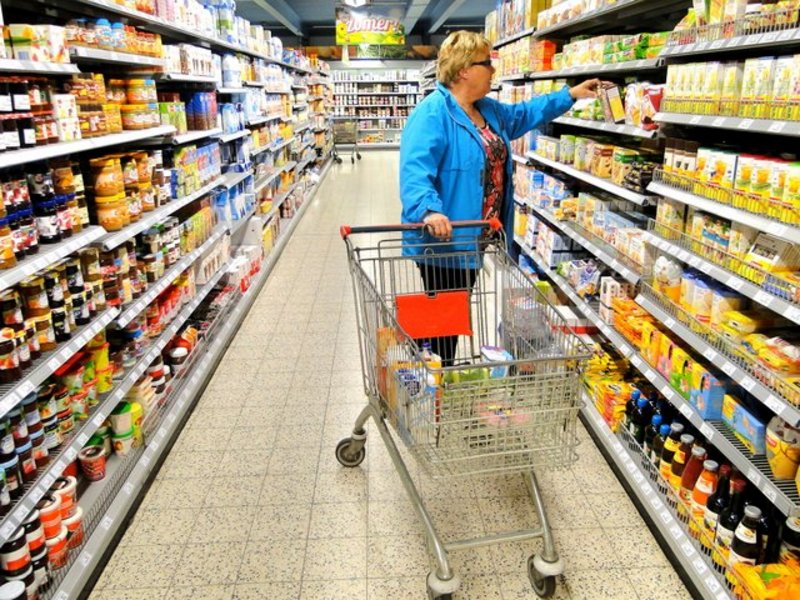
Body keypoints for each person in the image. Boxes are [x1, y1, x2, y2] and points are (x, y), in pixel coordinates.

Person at [399, 30, 600, 366]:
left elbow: (525, 113)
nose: (493, 70)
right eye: (486, 63)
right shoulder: (433, 113)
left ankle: (433, 369)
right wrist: (429, 210)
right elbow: (415, 170)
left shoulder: (487, 110)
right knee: (446, 319)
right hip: (446, 238)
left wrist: (570, 95)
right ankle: (434, 375)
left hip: (475, 235)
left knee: (452, 312)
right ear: (464, 69)